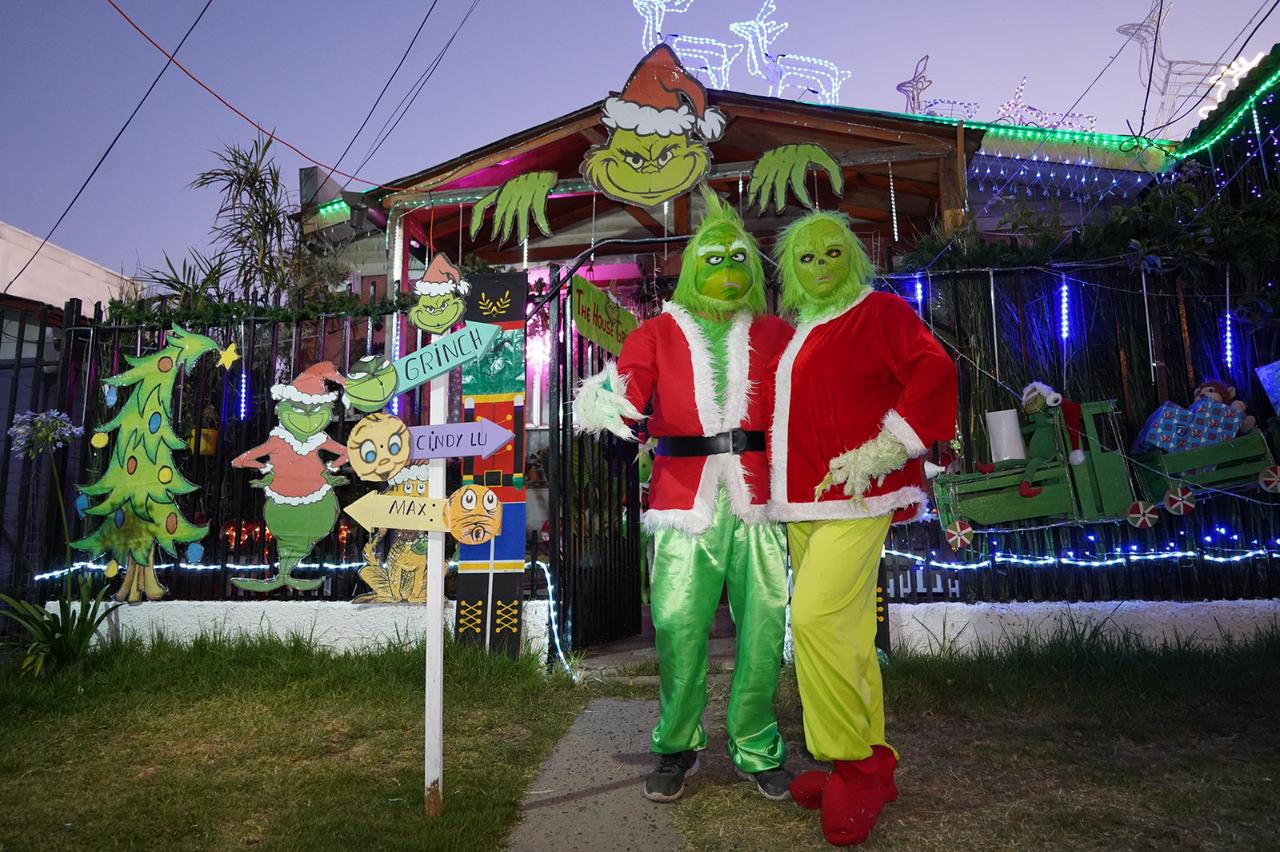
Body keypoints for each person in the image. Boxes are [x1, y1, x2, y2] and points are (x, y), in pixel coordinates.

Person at [573, 188, 794, 802]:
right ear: (695, 265)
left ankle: (756, 745)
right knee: (673, 624)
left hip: (758, 500)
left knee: (763, 625)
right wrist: (606, 398)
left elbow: (809, 399)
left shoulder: (777, 333)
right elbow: (628, 384)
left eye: (738, 259)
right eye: (714, 259)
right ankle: (676, 744)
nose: (727, 269)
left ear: (752, 267)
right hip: (681, 499)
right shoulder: (656, 333)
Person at [768, 212, 957, 846]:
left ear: (852, 255)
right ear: (789, 269)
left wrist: (886, 447)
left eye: (831, 253)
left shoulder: (879, 312)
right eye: (805, 258)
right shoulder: (800, 330)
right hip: (802, 504)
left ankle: (852, 763)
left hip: (859, 495)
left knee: (814, 619)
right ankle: (872, 758)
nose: (819, 266)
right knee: (844, 633)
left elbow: (935, 370)